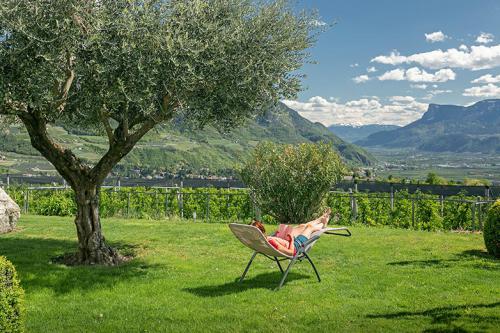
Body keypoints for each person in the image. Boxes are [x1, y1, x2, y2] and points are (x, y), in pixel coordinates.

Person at [251, 208, 331, 256]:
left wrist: (277, 235)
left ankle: (321, 219)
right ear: (262, 231)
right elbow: (291, 252)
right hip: (296, 246)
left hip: (288, 241)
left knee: (302, 226)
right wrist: (292, 240)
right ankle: (323, 224)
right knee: (309, 228)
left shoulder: (260, 241)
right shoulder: (271, 242)